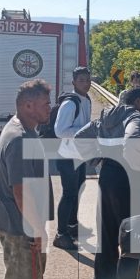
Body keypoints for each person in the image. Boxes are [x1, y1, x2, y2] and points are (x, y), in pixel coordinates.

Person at [0, 79, 65, 279]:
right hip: (20, 224)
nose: (50, 108)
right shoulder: (20, 137)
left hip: (25, 220)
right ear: (28, 105)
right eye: (46, 104)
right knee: (20, 277)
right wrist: (34, 230)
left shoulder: (23, 129)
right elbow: (21, 190)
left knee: (33, 273)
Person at [75, 87, 140, 279]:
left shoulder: (107, 116)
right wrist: (136, 165)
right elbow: (133, 143)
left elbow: (79, 137)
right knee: (133, 235)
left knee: (107, 230)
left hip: (108, 175)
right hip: (127, 179)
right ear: (139, 102)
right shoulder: (136, 117)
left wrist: (96, 159)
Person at [53, 67, 92, 251]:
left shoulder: (87, 100)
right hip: (67, 155)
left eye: (87, 79)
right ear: (74, 82)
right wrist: (85, 133)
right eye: (82, 80)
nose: (86, 83)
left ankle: (70, 225)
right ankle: (60, 234)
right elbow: (60, 131)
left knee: (77, 189)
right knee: (69, 193)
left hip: (79, 154)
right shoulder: (70, 104)